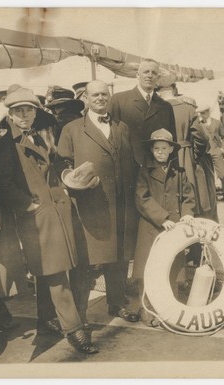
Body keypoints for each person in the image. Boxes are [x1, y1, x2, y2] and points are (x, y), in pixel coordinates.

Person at [0, 85, 98, 354]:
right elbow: (1, 184)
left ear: (36, 112)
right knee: (56, 273)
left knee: (51, 270)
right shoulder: (7, 145)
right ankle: (74, 330)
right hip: (37, 218)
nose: (24, 115)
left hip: (56, 210)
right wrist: (28, 205)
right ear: (11, 115)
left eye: (28, 109)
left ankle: (46, 321)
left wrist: (67, 178)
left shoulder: (42, 136)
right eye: (18, 111)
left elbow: (57, 164)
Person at [55, 80, 140, 325]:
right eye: (95, 95)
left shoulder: (122, 127)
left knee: (119, 258)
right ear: (86, 99)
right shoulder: (72, 129)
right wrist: (70, 178)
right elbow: (62, 162)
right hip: (89, 206)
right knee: (85, 262)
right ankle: (79, 314)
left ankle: (116, 303)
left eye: (104, 94)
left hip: (120, 206)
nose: (101, 98)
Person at [133, 128, 196, 326]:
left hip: (174, 229)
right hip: (152, 227)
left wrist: (186, 214)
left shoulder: (180, 172)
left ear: (171, 150)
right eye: (156, 148)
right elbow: (142, 198)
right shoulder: (145, 171)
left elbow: (188, 196)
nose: (160, 152)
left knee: (171, 269)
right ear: (152, 150)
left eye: (164, 148)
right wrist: (162, 218)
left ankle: (169, 310)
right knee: (150, 269)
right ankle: (147, 310)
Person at [156, 82, 218, 221]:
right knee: (192, 197)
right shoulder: (188, 109)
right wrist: (192, 154)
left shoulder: (155, 109)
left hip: (163, 158)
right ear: (174, 89)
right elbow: (201, 138)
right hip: (186, 158)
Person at [109, 58, 176, 168]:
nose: (150, 75)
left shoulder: (165, 107)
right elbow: (111, 139)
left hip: (156, 169)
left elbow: (171, 142)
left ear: (158, 78)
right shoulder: (119, 100)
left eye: (154, 73)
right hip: (128, 168)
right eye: (146, 72)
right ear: (137, 75)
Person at [196, 105, 224, 202]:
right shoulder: (199, 124)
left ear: (208, 112)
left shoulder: (217, 123)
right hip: (205, 153)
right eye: (200, 113)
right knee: (208, 176)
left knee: (222, 174)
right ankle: (212, 197)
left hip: (216, 152)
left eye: (203, 113)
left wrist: (222, 149)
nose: (201, 115)